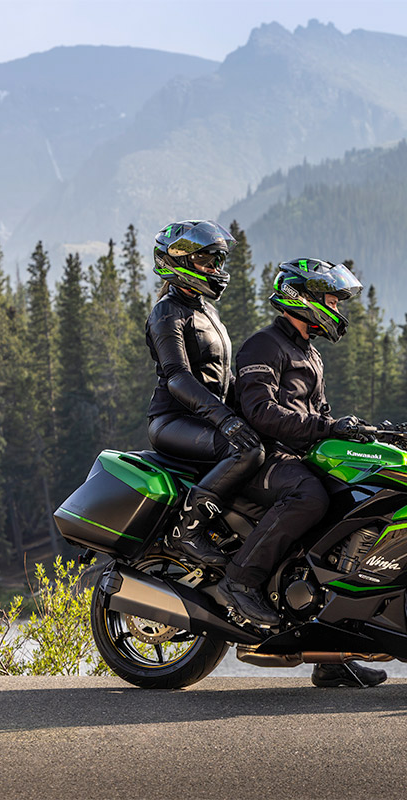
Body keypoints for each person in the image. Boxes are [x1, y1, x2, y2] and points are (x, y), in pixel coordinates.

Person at [214, 257, 387, 688]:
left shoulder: (309, 353)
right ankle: (240, 580)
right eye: (331, 298)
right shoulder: (263, 345)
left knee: (352, 504)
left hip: (297, 456)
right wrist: (327, 427)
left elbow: (320, 413)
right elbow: (259, 412)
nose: (337, 307)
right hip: (261, 458)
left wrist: (359, 434)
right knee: (310, 497)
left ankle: (331, 654)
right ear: (303, 297)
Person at [146, 220, 264, 568]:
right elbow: (178, 378)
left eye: (218, 261)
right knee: (247, 451)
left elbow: (223, 374)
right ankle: (188, 531)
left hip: (208, 418)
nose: (215, 268)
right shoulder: (166, 312)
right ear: (181, 263)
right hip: (173, 421)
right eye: (207, 261)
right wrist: (226, 420)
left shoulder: (205, 309)